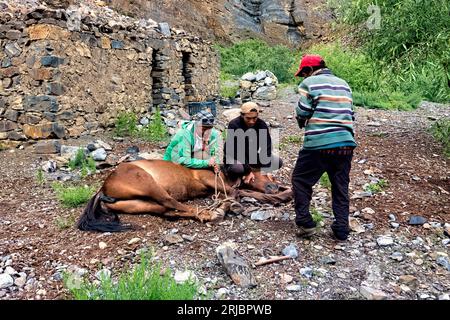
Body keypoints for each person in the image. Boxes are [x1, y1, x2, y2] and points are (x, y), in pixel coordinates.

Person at [292, 54, 357, 241]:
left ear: (308, 70)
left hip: (319, 144)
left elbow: (302, 111)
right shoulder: (344, 84)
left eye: (303, 73)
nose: (303, 77)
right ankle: (341, 229)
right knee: (340, 186)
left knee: (301, 180)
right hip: (345, 144)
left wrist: (302, 120)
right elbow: (351, 114)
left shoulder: (309, 83)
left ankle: (306, 224)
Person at [223, 101, 283, 184]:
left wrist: (266, 170)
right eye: (248, 118)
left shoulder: (261, 125)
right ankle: (239, 175)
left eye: (254, 118)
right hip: (235, 155)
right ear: (242, 115)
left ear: (258, 115)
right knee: (238, 168)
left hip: (252, 156)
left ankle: (253, 170)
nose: (251, 121)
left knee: (278, 162)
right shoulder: (234, 125)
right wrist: (247, 171)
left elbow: (266, 148)